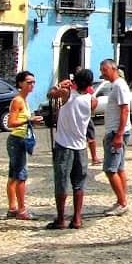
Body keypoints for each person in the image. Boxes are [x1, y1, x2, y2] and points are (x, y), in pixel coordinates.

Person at [45, 69, 97, 229]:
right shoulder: (92, 101)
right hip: (81, 146)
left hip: (63, 144)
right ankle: (77, 218)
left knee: (61, 181)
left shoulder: (67, 94)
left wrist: (60, 84)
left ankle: (61, 219)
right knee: (79, 183)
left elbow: (50, 94)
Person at [5, 70, 43, 220]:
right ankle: (21, 210)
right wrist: (29, 120)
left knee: (14, 176)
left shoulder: (24, 100)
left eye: (33, 82)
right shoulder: (18, 100)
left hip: (20, 139)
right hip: (17, 140)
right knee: (20, 176)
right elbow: (11, 123)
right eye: (29, 82)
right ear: (21, 84)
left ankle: (12, 207)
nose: (32, 85)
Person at [99, 58, 130, 216]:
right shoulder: (114, 86)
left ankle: (122, 202)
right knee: (119, 168)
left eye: (104, 70)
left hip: (117, 133)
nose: (102, 73)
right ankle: (121, 200)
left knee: (110, 169)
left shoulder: (119, 85)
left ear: (113, 68)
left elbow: (125, 110)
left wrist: (118, 134)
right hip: (114, 131)